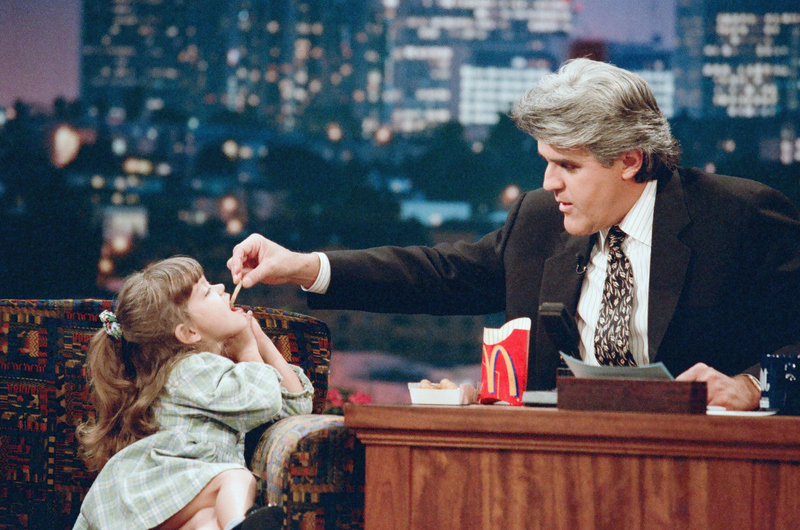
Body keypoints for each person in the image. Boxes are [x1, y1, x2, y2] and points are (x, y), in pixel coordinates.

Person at [227, 58, 800, 412]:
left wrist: (755, 386)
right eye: (545, 161)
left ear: (629, 160)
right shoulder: (539, 221)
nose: (548, 183)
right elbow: (438, 275)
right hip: (550, 472)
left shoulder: (740, 218)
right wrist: (302, 266)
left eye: (568, 166)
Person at [73, 257, 314, 530]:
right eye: (208, 291)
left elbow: (296, 408)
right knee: (237, 478)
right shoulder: (190, 369)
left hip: (181, 498)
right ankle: (240, 526)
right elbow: (264, 398)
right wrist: (247, 349)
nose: (222, 287)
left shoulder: (224, 374)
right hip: (154, 490)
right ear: (188, 332)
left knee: (208, 521)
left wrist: (260, 341)